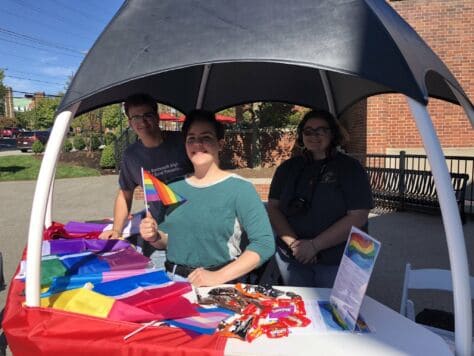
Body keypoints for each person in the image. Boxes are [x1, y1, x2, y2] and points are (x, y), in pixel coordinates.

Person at [139, 110, 275, 287]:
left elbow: (264, 244)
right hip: (173, 282)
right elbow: (169, 240)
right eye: (191, 138)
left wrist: (217, 277)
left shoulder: (240, 189)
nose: (198, 144)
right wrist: (155, 236)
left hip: (220, 284)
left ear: (220, 144)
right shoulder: (172, 187)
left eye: (206, 137)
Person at [267, 110, 373, 288]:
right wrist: (295, 245)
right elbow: (273, 207)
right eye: (308, 131)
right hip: (293, 256)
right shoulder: (287, 168)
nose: (314, 136)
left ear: (333, 134)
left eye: (321, 130)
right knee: (297, 310)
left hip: (337, 259)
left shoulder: (350, 168)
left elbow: (358, 215)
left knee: (333, 313)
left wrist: (314, 246)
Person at [99, 94, 192, 266]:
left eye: (147, 115)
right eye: (136, 117)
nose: (142, 122)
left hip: (194, 226)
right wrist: (116, 230)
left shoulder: (182, 142)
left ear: (157, 117)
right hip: (158, 233)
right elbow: (124, 194)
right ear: (130, 122)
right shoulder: (131, 156)